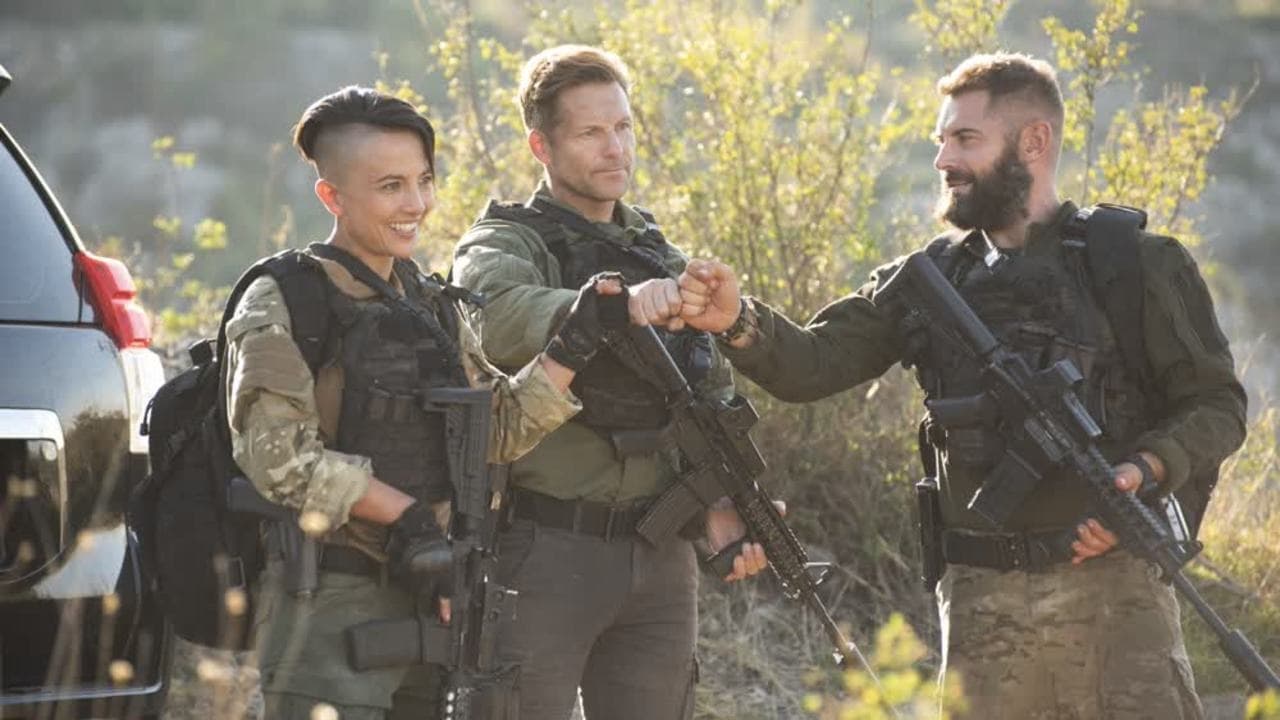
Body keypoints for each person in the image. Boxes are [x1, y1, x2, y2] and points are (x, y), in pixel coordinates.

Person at [676, 52, 1247, 719]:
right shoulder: (930, 280)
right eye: (940, 139)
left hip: (1114, 597)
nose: (944, 158)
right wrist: (737, 321)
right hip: (982, 607)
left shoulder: (1133, 263)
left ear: (1034, 141)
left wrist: (1144, 473)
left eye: (966, 138)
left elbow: (1217, 405)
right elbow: (814, 362)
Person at [224, 86, 623, 720]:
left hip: (434, 597)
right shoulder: (286, 299)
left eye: (424, 181)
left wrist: (573, 344)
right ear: (332, 196)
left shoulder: (429, 303)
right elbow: (280, 460)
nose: (416, 204)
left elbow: (492, 431)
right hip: (330, 599)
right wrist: (407, 518)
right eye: (391, 187)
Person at [451, 45, 769, 720]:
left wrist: (724, 502)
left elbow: (706, 389)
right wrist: (610, 306)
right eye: (591, 132)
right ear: (541, 145)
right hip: (545, 550)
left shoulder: (655, 250)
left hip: (660, 559)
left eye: (623, 127)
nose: (615, 148)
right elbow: (494, 315)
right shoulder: (506, 240)